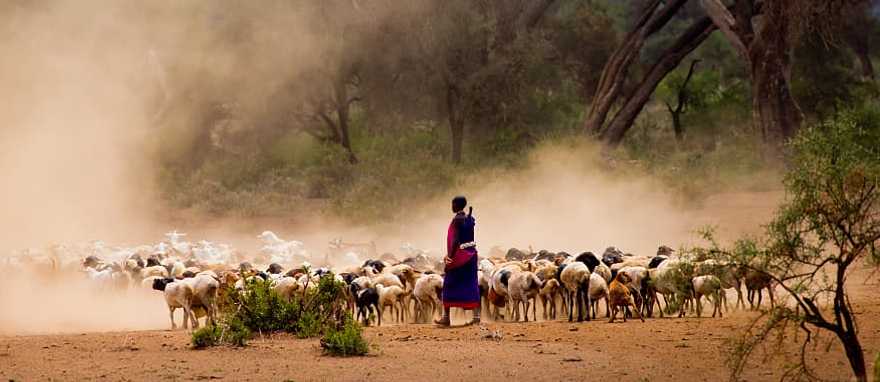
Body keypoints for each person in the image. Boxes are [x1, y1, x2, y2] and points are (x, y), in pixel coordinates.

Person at [435, 195, 481, 326]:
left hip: (459, 255)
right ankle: (476, 317)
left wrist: (450, 256)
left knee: (448, 284)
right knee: (471, 283)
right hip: (471, 254)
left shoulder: (457, 219)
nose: (452, 206)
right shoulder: (469, 218)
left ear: (456, 204)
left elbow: (455, 240)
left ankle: (446, 317)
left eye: (453, 204)